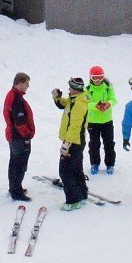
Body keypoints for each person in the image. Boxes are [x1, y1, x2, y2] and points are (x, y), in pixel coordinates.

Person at [50, 76, 91, 208]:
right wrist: (57, 97)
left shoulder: (79, 104)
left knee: (65, 171)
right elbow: (63, 104)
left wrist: (67, 144)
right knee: (76, 169)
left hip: (73, 141)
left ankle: (73, 201)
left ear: (75, 89)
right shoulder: (74, 99)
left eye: (70, 87)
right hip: (75, 140)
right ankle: (82, 195)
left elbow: (75, 126)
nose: (68, 89)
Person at [2, 72, 37, 202]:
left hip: (13, 136)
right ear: (20, 83)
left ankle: (15, 187)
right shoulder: (16, 99)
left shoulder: (12, 95)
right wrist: (26, 135)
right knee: (19, 163)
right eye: (27, 83)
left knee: (14, 162)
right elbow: (19, 121)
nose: (28, 86)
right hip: (19, 138)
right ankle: (16, 192)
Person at [83, 66, 118, 176]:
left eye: (100, 77)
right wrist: (96, 106)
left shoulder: (108, 87)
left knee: (109, 144)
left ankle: (110, 164)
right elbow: (86, 103)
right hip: (93, 121)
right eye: (95, 78)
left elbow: (113, 99)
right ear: (91, 78)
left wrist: (108, 104)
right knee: (94, 144)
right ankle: (94, 163)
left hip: (107, 120)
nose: (97, 80)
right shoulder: (87, 90)